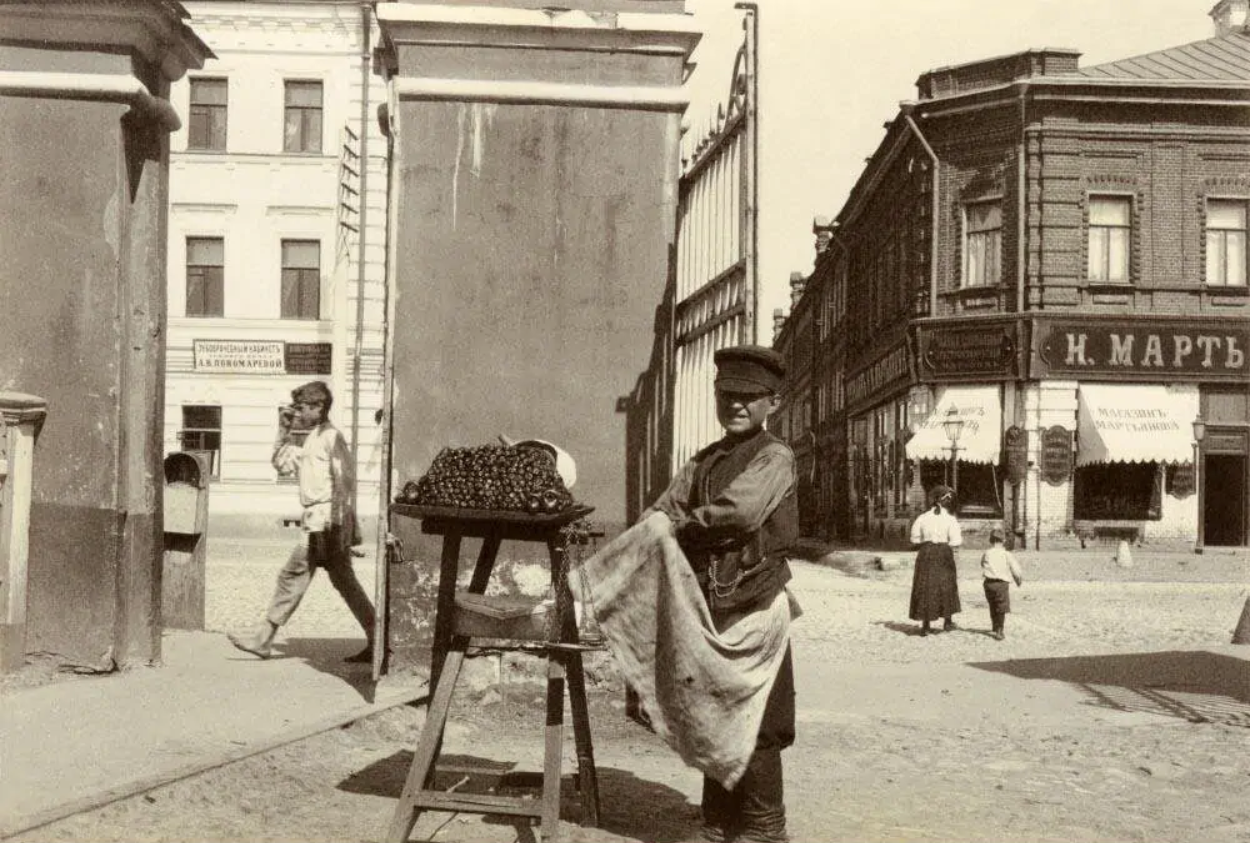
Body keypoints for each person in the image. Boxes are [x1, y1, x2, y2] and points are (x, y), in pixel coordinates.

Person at [643, 344, 798, 843]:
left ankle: (764, 826)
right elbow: (664, 508)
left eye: (749, 397)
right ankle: (718, 820)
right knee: (713, 709)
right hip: (709, 606)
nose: (736, 404)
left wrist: (682, 525)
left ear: (772, 403)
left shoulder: (776, 457)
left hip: (754, 605)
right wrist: (656, 524)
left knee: (758, 714)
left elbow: (740, 512)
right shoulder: (704, 461)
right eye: (727, 394)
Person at [228, 381, 376, 663]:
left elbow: (344, 481)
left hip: (324, 523)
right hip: (318, 521)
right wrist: (282, 431)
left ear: (319, 407)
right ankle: (380, 641)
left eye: (303, 409)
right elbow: (282, 463)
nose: (299, 415)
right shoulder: (313, 438)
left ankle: (263, 639)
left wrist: (338, 527)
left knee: (291, 576)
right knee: (346, 583)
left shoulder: (331, 437)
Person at [908, 484, 962, 637]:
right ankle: (947, 621)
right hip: (944, 552)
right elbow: (956, 541)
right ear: (942, 501)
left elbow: (914, 539)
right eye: (948, 499)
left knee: (926, 585)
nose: (949, 501)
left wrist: (927, 543)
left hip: (926, 553)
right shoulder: (951, 520)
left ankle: (926, 625)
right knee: (947, 584)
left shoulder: (922, 518)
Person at [980, 526, 1023, 641]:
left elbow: (982, 564)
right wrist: (1018, 580)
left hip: (988, 583)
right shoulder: (1006, 554)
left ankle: (994, 625)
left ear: (990, 541)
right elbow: (1016, 570)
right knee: (1001, 607)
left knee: (992, 605)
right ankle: (1000, 630)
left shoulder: (987, 553)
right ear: (1003, 541)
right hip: (1001, 584)